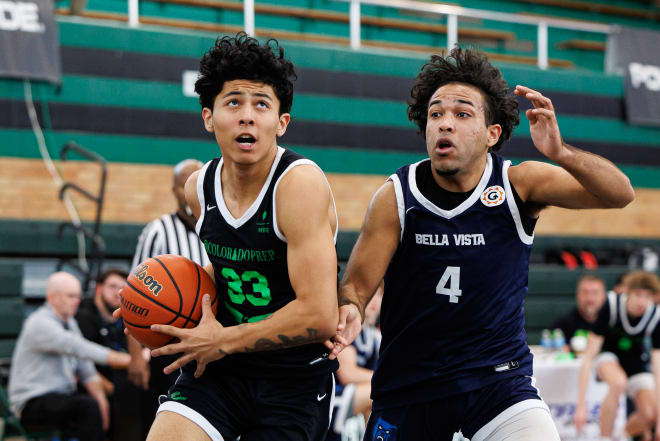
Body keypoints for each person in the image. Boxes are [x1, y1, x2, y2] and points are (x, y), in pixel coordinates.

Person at [329, 47, 635, 441]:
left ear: (493, 133)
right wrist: (350, 307)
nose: (444, 124)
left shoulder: (520, 184)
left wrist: (561, 153)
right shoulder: (396, 196)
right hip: (410, 388)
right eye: (435, 114)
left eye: (462, 114)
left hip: (499, 387)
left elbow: (621, 194)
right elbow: (355, 286)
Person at [117, 33, 339, 441]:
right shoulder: (198, 189)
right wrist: (149, 306)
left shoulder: (299, 185)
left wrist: (223, 340)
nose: (247, 116)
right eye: (233, 102)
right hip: (221, 371)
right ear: (208, 117)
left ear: (281, 123)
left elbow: (321, 314)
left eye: (261, 104)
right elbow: (224, 272)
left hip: (293, 379)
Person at [128, 158, 209, 439]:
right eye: (184, 185)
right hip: (164, 344)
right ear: (175, 190)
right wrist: (135, 357)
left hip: (208, 342)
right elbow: (133, 294)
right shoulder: (158, 230)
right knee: (161, 416)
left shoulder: (218, 229)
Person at [8, 271, 131, 441]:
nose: (77, 301)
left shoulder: (70, 322)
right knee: (86, 407)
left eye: (78, 296)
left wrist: (102, 401)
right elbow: (81, 348)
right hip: (32, 402)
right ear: (53, 297)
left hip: (60, 397)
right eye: (71, 296)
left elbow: (86, 369)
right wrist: (132, 360)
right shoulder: (40, 323)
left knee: (107, 403)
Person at [575, 271, 660, 441]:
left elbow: (657, 364)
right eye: (638, 295)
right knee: (618, 382)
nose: (642, 301)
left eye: (647, 296)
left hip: (636, 362)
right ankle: (604, 437)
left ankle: (622, 435)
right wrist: (581, 405)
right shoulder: (612, 304)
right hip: (608, 356)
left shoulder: (655, 314)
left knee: (650, 415)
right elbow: (589, 356)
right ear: (628, 292)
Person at [76, 268, 143, 441]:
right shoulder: (84, 317)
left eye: (122, 288)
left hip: (119, 379)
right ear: (98, 289)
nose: (118, 293)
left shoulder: (125, 316)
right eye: (112, 287)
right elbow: (79, 363)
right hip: (90, 382)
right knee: (126, 392)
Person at [327, 283, 383, 441]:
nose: (374, 301)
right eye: (370, 294)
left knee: (383, 395)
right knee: (380, 391)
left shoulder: (375, 336)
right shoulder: (346, 326)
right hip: (334, 395)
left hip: (358, 396)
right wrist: (389, 380)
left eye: (379, 295)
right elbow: (348, 374)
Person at [551, 274, 607, 354]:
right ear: (577, 295)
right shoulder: (563, 323)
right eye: (585, 292)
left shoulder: (612, 324)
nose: (590, 299)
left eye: (595, 293)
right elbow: (552, 351)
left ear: (604, 297)